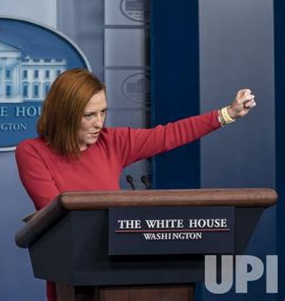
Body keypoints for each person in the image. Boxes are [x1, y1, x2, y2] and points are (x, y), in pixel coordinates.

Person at [15, 68, 256, 301]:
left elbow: (169, 135)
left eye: (103, 112)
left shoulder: (113, 142)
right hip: (72, 277)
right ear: (64, 115)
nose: (99, 123)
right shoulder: (32, 152)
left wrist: (228, 114)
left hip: (120, 269)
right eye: (89, 115)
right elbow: (53, 213)